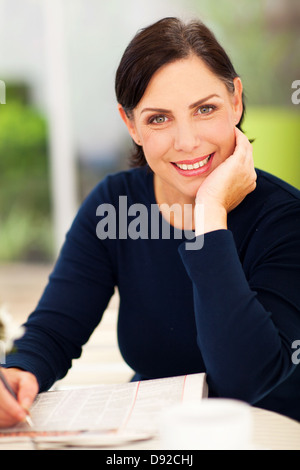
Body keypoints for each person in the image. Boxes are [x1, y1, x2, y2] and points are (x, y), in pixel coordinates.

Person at [1, 17, 300, 428]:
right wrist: (19, 372)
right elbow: (53, 332)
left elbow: (245, 380)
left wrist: (210, 217)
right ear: (131, 125)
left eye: (206, 109)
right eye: (159, 118)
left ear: (237, 101)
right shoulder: (115, 204)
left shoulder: (286, 218)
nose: (187, 141)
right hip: (152, 440)